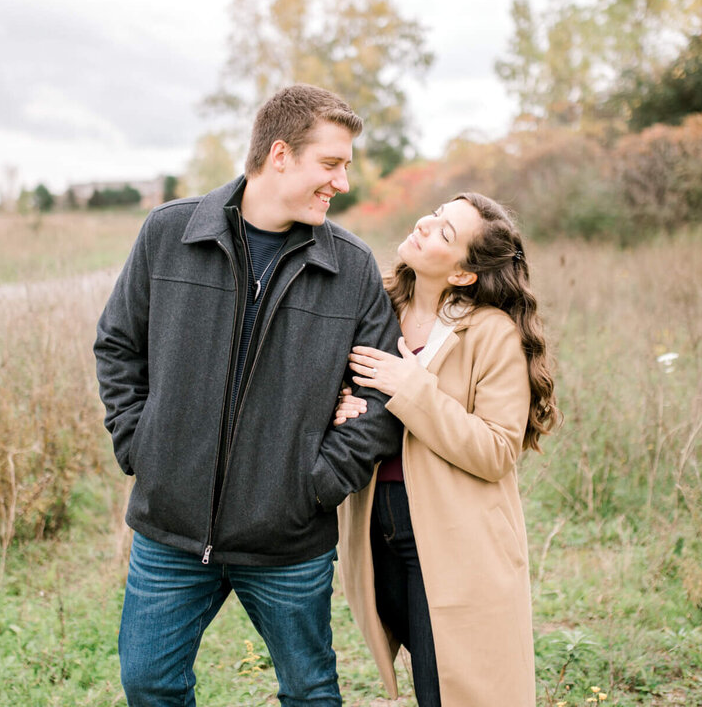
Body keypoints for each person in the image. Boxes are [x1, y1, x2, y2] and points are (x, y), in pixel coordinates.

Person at [95, 84, 403, 707]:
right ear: (281, 155)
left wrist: (317, 483)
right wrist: (142, 446)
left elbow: (381, 393)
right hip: (171, 528)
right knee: (148, 681)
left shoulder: (352, 267)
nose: (342, 182)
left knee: (310, 691)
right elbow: (118, 346)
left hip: (287, 536)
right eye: (332, 163)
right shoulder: (169, 233)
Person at [333, 192, 560, 706]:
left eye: (445, 233)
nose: (425, 224)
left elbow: (497, 449)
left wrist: (408, 386)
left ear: (462, 274)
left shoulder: (491, 334)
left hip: (454, 534)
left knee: (452, 687)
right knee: (427, 677)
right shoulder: (377, 308)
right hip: (375, 527)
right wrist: (341, 407)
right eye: (435, 215)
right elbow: (339, 393)